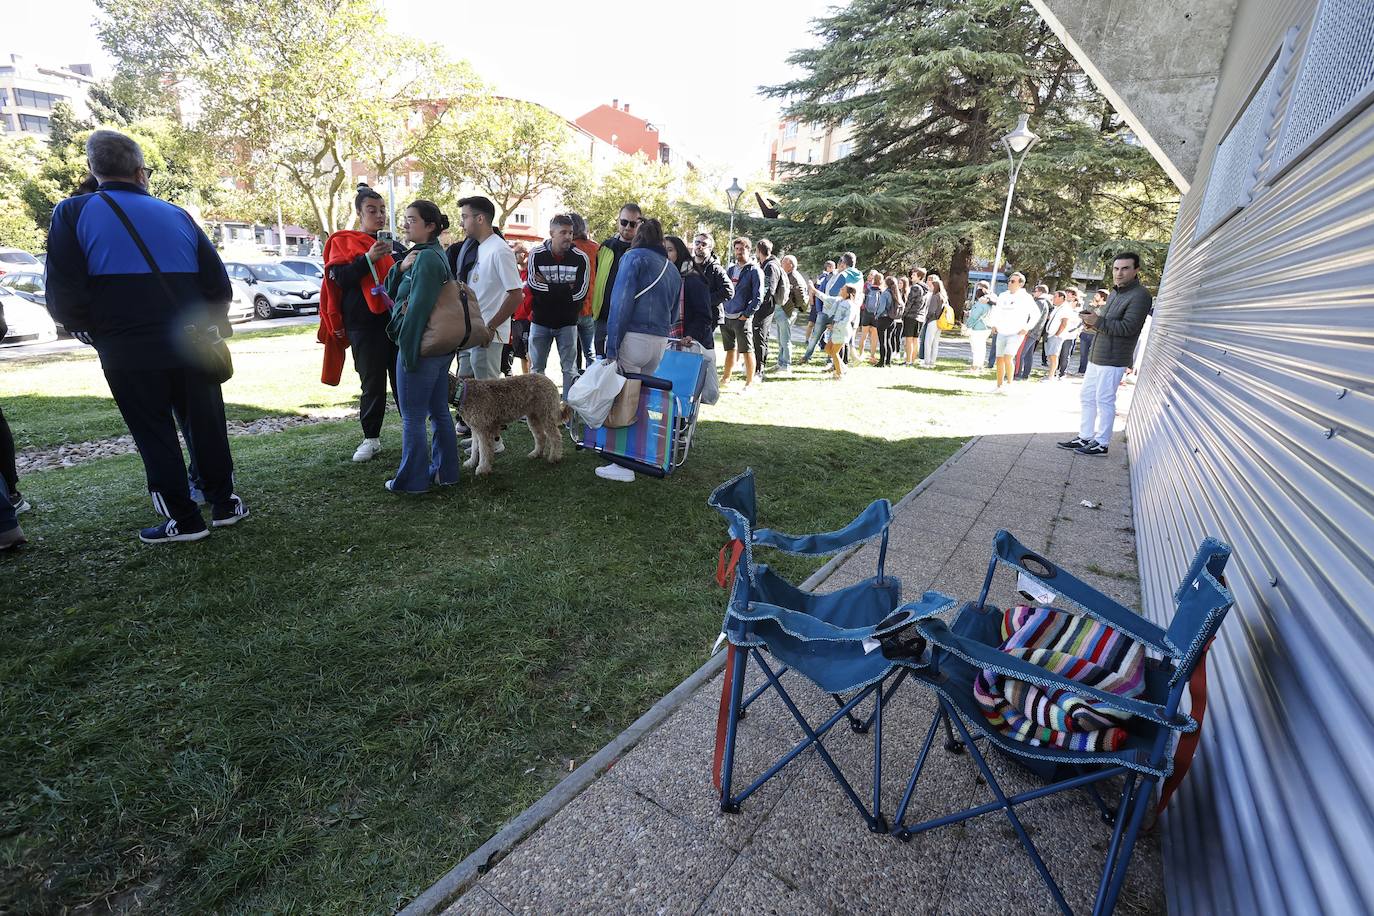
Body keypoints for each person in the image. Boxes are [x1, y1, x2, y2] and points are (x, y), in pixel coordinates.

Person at [45, 129, 247, 543]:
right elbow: (218, 285)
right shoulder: (176, 214)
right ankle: (224, 502)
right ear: (141, 172)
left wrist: (93, 329)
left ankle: (183, 519)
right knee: (206, 423)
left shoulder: (73, 212)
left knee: (153, 433)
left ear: (93, 169)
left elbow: (63, 292)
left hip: (127, 345)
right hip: (191, 339)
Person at [321, 184, 403, 462]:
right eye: (372, 210)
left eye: (382, 211)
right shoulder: (344, 242)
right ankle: (371, 439)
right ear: (359, 213)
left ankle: (411, 432)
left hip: (395, 323)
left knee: (402, 380)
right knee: (372, 384)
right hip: (363, 325)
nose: (379, 216)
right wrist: (369, 259)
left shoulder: (397, 246)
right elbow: (340, 279)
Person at [383, 200, 461, 492]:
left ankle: (412, 481)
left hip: (422, 347)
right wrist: (401, 267)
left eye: (412, 220)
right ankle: (445, 472)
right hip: (438, 348)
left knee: (413, 417)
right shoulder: (423, 255)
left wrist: (408, 349)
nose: (405, 224)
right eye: (405, 219)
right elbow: (390, 290)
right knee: (439, 410)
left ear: (430, 226)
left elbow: (417, 309)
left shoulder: (427, 259)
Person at [600, 218, 682, 481]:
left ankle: (623, 463)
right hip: (658, 341)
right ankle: (641, 455)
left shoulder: (633, 258)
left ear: (638, 237)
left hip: (633, 337)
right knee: (643, 399)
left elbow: (620, 303)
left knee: (626, 398)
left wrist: (611, 347)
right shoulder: (671, 269)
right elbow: (674, 313)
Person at [1058, 253, 1153, 457]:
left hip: (1114, 358)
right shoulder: (1116, 292)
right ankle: (1085, 436)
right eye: (1116, 268)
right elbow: (1106, 323)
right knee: (1087, 397)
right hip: (1097, 354)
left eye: (1125, 268)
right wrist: (1090, 321)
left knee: (1105, 399)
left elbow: (1128, 328)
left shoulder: (1141, 295)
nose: (1119, 273)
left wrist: (1097, 322)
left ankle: (1101, 443)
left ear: (1136, 270)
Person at [448, 196, 523, 454]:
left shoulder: (499, 250)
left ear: (480, 218)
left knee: (487, 393)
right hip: (472, 334)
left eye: (465, 217)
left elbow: (516, 294)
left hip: (488, 335)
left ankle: (494, 442)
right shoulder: (479, 247)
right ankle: (482, 439)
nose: (462, 223)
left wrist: (491, 327)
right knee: (470, 388)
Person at [526, 214, 592, 397]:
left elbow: (580, 293)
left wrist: (548, 287)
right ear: (551, 233)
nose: (568, 237)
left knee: (569, 369)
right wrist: (565, 289)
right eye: (563, 232)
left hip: (567, 323)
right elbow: (533, 286)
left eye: (570, 233)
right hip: (540, 322)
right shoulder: (536, 254)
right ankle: (536, 410)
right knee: (536, 369)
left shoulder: (581, 258)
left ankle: (568, 412)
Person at [665, 235, 719, 402]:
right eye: (663, 250)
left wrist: (690, 335)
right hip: (672, 343)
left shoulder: (693, 279)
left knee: (684, 394)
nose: (665, 254)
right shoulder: (667, 277)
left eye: (670, 250)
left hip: (691, 344)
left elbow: (704, 315)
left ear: (679, 252)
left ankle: (679, 424)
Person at [592, 203, 642, 356]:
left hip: (628, 321)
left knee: (624, 368)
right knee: (600, 364)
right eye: (624, 222)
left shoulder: (642, 252)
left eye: (633, 224)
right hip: (602, 316)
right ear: (618, 221)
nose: (627, 227)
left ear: (639, 225)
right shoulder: (605, 247)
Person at [801, 253, 862, 363]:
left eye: (840, 262)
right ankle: (835, 363)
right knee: (841, 340)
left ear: (843, 263)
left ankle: (834, 366)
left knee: (827, 338)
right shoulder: (859, 276)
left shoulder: (843, 275)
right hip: (850, 310)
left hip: (832, 309)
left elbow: (833, 292)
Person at [720, 237, 763, 391]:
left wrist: (746, 314)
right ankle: (725, 378)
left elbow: (758, 297)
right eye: (736, 249)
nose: (738, 252)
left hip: (742, 318)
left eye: (742, 249)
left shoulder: (754, 270)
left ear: (748, 250)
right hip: (727, 316)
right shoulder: (730, 269)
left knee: (747, 350)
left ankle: (749, 382)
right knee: (729, 350)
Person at [986, 272, 1040, 392]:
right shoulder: (1003, 295)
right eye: (1009, 281)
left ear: (1020, 284)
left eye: (1012, 281)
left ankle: (1009, 384)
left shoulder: (1026, 297)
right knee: (999, 358)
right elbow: (996, 311)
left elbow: (1036, 314)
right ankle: (999, 385)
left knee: (1008, 357)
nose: (1009, 283)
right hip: (1001, 331)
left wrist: (1027, 327)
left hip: (1016, 333)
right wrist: (994, 324)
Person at [805, 278, 857, 378]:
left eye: (843, 289)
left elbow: (847, 321)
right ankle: (843, 368)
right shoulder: (839, 300)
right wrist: (813, 289)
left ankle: (839, 374)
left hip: (842, 331)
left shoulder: (850, 305)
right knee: (828, 349)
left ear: (847, 293)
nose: (841, 289)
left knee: (834, 352)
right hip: (836, 331)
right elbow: (825, 298)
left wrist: (834, 326)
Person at [753, 239, 788, 378]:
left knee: (760, 337)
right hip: (765, 306)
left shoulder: (770, 266)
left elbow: (768, 290)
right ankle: (757, 366)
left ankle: (759, 370)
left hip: (765, 308)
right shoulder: (766, 264)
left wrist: (757, 304)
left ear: (758, 251)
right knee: (761, 336)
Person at [569, 213, 600, 371]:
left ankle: (573, 387)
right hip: (591, 306)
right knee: (591, 354)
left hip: (571, 307)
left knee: (572, 354)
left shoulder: (567, 248)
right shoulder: (596, 248)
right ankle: (591, 386)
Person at [688, 231, 734, 328]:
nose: (699, 246)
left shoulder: (716, 268)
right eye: (697, 243)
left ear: (710, 248)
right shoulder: (687, 265)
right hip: (690, 314)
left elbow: (729, 291)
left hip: (709, 317)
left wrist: (705, 300)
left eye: (704, 244)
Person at [776, 254, 808, 375]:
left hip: (788, 311)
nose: (781, 264)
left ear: (790, 265)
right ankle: (780, 362)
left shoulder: (794, 277)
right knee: (781, 339)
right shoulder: (787, 275)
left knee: (785, 339)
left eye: (784, 262)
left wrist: (796, 308)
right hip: (783, 310)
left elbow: (801, 296)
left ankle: (786, 365)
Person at [505, 240, 533, 376]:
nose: (514, 257)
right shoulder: (516, 273)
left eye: (516, 254)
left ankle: (532, 379)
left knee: (530, 352)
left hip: (529, 319)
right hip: (517, 318)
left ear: (523, 254)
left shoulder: (532, 272)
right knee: (521, 353)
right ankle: (525, 378)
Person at [1041, 289, 1081, 381]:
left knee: (1054, 355)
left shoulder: (1065, 308)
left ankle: (1051, 376)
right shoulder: (1057, 307)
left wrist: (1057, 334)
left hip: (1057, 336)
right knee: (1050, 355)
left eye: (1055, 296)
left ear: (1062, 298)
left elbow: (1064, 323)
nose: (1053, 299)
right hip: (1051, 334)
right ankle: (1050, 374)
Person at [1015, 283, 1052, 380]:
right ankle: (1025, 374)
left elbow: (1033, 317)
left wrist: (1026, 328)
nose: (1034, 293)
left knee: (1020, 353)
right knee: (1028, 355)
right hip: (1035, 332)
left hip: (1030, 332)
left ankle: (1017, 373)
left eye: (1035, 291)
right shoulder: (1045, 303)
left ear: (1040, 292)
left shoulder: (1040, 302)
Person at [965, 282, 993, 373]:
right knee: (981, 348)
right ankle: (980, 366)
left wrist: (968, 325)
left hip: (978, 328)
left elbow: (974, 316)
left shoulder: (981, 301)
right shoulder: (990, 300)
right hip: (987, 327)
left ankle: (975, 366)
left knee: (976, 348)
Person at [903, 267, 929, 365]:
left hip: (912, 316)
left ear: (919, 277)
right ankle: (912, 360)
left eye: (914, 275)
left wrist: (903, 314)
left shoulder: (915, 288)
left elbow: (909, 303)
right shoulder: (926, 289)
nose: (911, 276)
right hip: (921, 317)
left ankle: (908, 360)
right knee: (916, 339)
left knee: (909, 339)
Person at [857, 271, 885, 362]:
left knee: (863, 335)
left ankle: (860, 354)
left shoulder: (868, 288)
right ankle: (872, 356)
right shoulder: (882, 291)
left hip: (866, 313)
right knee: (874, 337)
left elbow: (863, 300)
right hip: (876, 316)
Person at [920, 276, 947, 368]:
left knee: (928, 342)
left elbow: (931, 311)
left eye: (931, 286)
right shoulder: (943, 296)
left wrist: (926, 318)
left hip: (932, 321)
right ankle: (932, 361)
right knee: (935, 343)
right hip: (940, 321)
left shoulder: (935, 296)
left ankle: (927, 361)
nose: (930, 287)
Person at [807, 259, 836, 345]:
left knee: (819, 325)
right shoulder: (824, 277)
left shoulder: (825, 277)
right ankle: (811, 341)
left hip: (821, 303)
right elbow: (814, 290)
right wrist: (812, 302)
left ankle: (820, 342)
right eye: (833, 268)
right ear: (829, 267)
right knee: (814, 324)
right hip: (820, 304)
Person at [877, 276, 903, 367]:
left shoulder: (885, 293)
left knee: (882, 341)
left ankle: (881, 362)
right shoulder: (896, 293)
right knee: (888, 340)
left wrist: (876, 315)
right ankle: (888, 361)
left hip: (884, 318)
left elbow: (881, 307)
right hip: (893, 319)